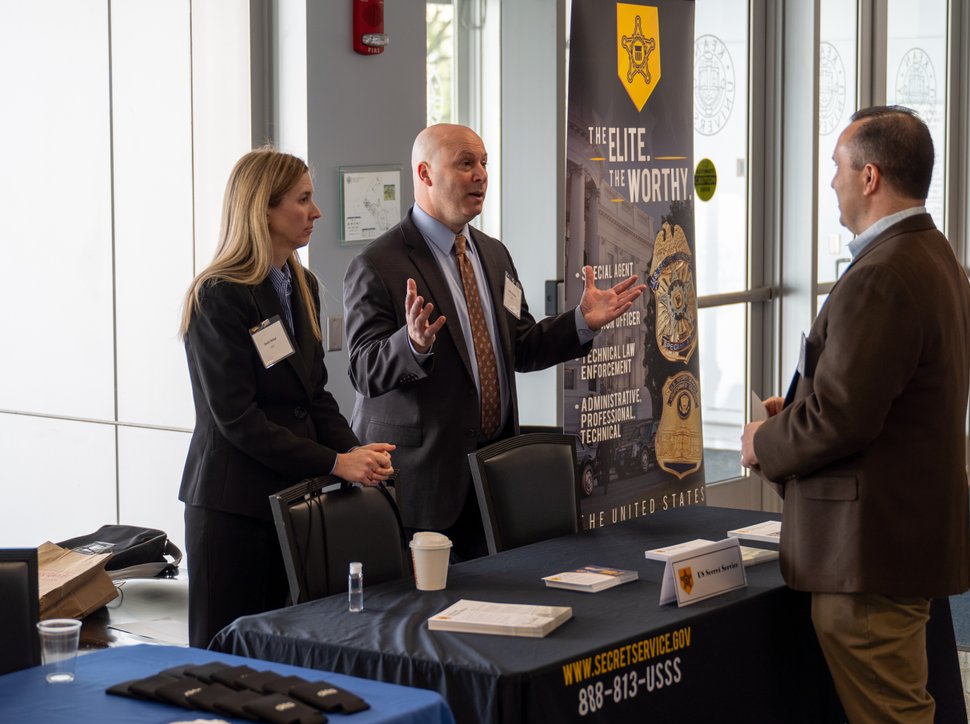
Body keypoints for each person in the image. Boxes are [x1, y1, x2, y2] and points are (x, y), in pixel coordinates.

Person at [740, 106, 970, 724]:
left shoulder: (884, 272)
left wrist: (765, 442)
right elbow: (872, 401)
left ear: (870, 176)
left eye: (838, 169)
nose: (831, 184)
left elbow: (844, 418)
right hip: (896, 540)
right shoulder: (929, 255)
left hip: (867, 554)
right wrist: (804, 411)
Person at [344, 124, 644, 560]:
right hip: (423, 484)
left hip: (493, 474)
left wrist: (581, 321)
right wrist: (412, 345)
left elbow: (519, 345)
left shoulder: (493, 254)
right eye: (466, 163)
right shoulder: (377, 264)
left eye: (484, 163)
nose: (481, 175)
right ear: (425, 175)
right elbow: (362, 370)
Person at [179, 147, 396, 647]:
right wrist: (335, 461)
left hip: (293, 503)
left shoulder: (302, 284)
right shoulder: (217, 295)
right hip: (233, 513)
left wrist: (356, 454)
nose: (316, 212)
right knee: (228, 660)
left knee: (287, 655)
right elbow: (238, 419)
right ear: (263, 209)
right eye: (303, 200)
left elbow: (313, 394)